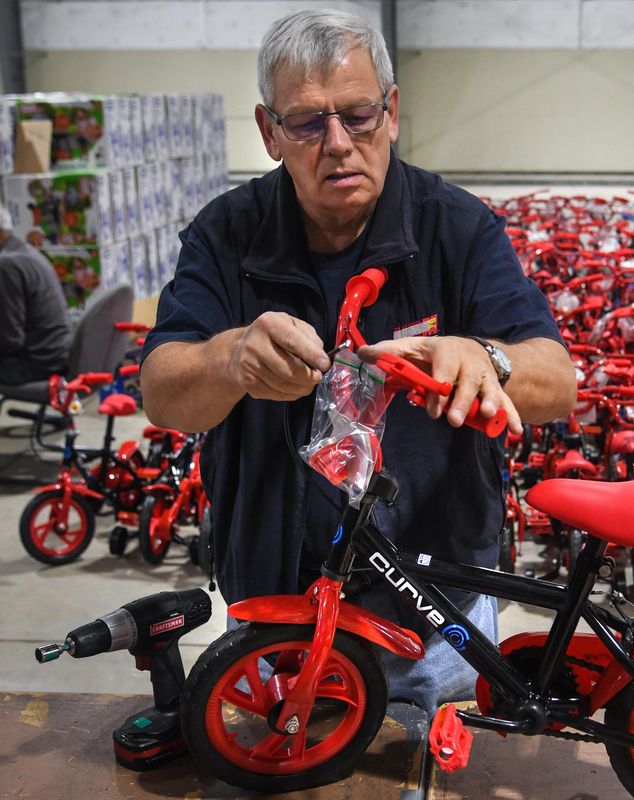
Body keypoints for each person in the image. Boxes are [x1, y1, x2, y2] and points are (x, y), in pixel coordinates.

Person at [139, 9, 576, 713]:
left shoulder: (457, 229)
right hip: (274, 603)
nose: (338, 143)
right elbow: (161, 391)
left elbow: (558, 378)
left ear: (392, 112)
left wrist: (487, 357)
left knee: (417, 761)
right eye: (308, 123)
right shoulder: (226, 235)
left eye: (358, 114)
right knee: (282, 764)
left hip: (431, 612)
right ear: (268, 133)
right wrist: (229, 358)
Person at [0, 206, 71, 385]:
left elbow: (10, 339)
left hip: (36, 363)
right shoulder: (26, 252)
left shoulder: (6, 265)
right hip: (55, 353)